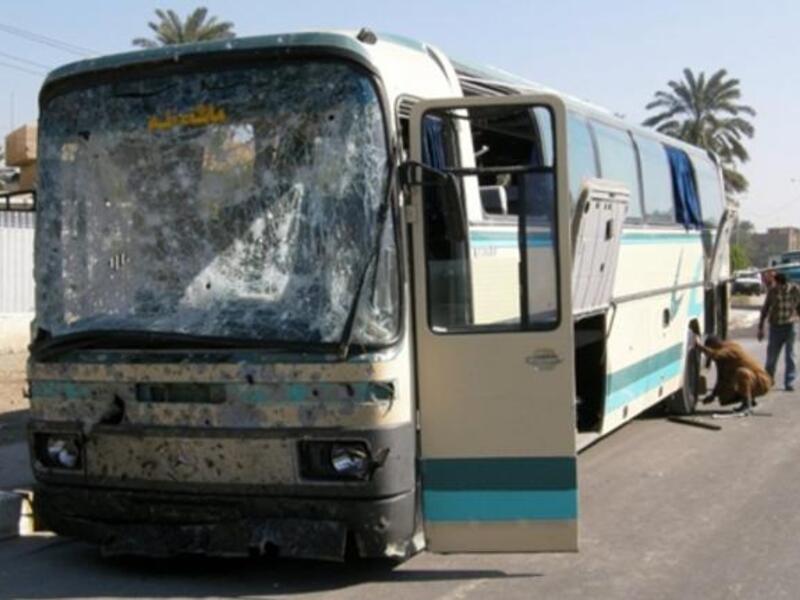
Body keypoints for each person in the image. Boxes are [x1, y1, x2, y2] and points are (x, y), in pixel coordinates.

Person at [696, 334, 772, 414]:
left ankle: (747, 404)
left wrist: (699, 347)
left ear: (715, 346)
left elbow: (715, 354)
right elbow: (721, 378)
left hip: (762, 382)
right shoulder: (722, 358)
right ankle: (749, 399)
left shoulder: (730, 349)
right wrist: (713, 395)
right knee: (724, 395)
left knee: (742, 373)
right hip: (754, 380)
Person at [758, 272, 800, 391]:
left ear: (782, 283)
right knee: (772, 357)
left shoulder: (795, 290)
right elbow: (765, 309)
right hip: (775, 327)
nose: (775, 286)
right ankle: (768, 380)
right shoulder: (772, 292)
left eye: (777, 284)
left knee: (790, 356)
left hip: (790, 326)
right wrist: (760, 328)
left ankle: (789, 382)